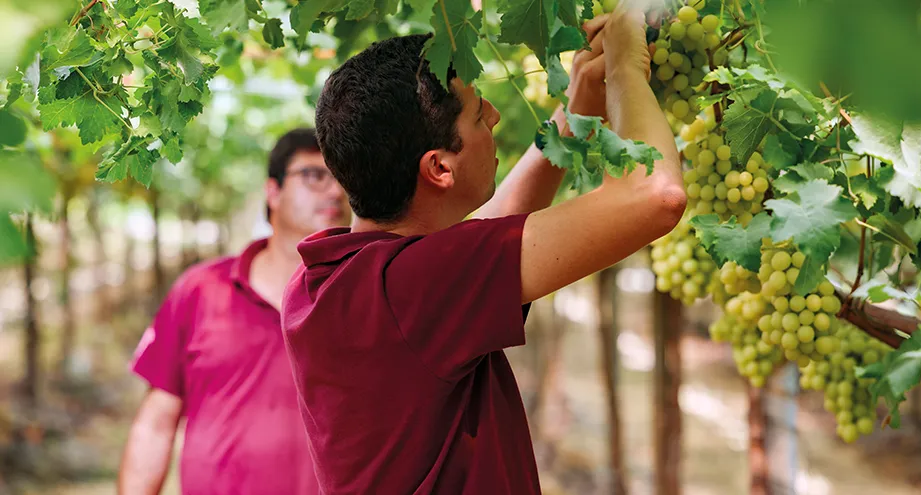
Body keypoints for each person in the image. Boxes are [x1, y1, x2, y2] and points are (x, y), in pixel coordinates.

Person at [281, 4, 685, 494]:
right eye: (478, 114)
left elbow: (489, 239)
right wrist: (625, 67)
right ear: (440, 170)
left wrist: (574, 113)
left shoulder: (327, 283)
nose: (494, 115)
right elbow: (657, 197)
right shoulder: (413, 289)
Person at [117, 128, 350, 495]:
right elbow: (156, 424)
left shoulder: (364, 298)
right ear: (272, 191)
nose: (335, 191)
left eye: (342, 178)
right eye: (314, 176)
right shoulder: (200, 291)